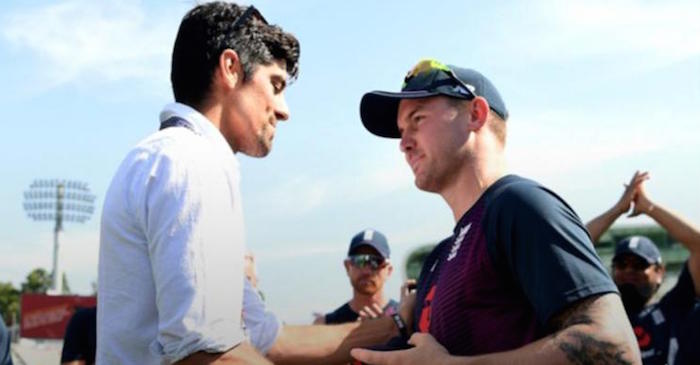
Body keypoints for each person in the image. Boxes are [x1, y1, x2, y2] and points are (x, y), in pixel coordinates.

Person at [351, 59, 641, 364]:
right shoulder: (438, 259)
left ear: (476, 114)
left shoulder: (520, 205)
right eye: (401, 130)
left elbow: (614, 348)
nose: (404, 144)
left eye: (418, 119)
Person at [98, 2, 299, 363]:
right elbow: (205, 353)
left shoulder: (176, 156)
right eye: (276, 84)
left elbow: (266, 337)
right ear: (231, 69)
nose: (284, 109)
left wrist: (396, 322)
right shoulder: (190, 160)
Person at [586, 171, 700, 365]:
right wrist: (617, 210)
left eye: (640, 265)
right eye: (621, 264)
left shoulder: (675, 308)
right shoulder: (598, 315)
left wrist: (648, 207)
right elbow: (567, 251)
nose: (629, 270)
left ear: (659, 272)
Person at [315, 229, 399, 325]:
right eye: (359, 261)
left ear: (389, 271)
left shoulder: (405, 318)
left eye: (375, 262)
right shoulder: (327, 325)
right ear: (347, 267)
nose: (366, 271)